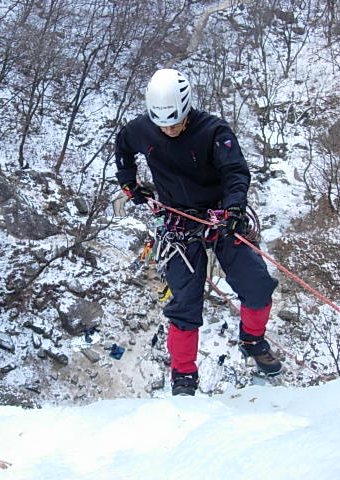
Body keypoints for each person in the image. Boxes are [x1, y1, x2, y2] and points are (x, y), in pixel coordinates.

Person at [114, 68, 282, 396]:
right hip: (177, 220)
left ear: (187, 109)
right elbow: (123, 147)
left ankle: (252, 340)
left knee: (257, 285)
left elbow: (235, 172)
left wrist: (233, 209)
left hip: (220, 214)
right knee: (184, 303)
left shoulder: (213, 131)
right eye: (163, 125)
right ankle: (183, 376)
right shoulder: (142, 129)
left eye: (175, 123)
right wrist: (129, 184)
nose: (169, 130)